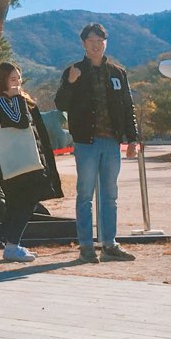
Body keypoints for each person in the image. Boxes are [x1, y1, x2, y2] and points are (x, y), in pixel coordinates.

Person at [55, 22, 139, 263]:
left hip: (112, 141)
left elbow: (128, 107)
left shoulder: (117, 73)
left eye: (100, 41)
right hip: (86, 142)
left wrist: (132, 139)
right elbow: (61, 104)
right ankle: (86, 246)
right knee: (85, 195)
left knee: (110, 195)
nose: (96, 45)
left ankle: (109, 244)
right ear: (83, 43)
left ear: (106, 43)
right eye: (91, 41)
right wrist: (70, 83)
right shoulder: (74, 71)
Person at [0, 62, 63, 262]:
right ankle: (12, 244)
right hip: (20, 161)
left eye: (19, 78)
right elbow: (19, 121)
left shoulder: (18, 99)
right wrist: (17, 98)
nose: (17, 82)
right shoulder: (2, 101)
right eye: (12, 79)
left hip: (28, 159)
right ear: (2, 80)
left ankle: (8, 240)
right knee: (25, 201)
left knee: (21, 201)